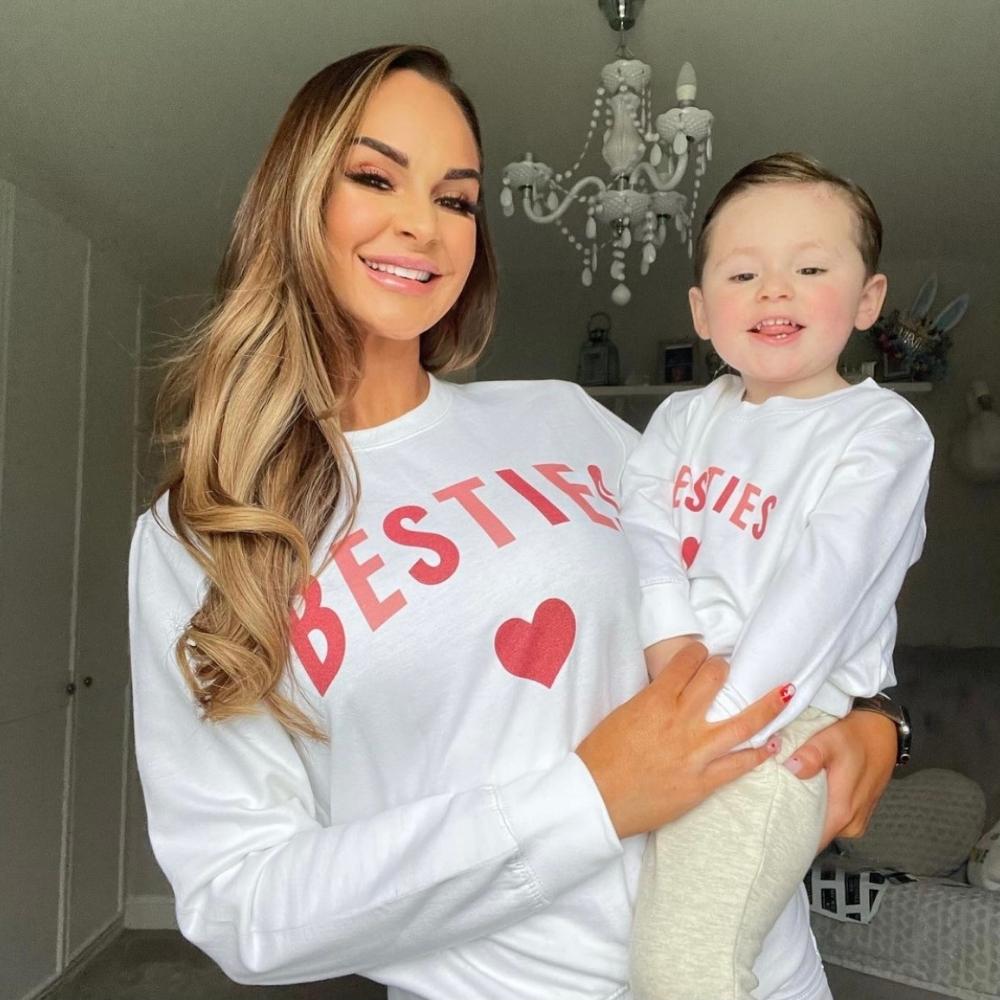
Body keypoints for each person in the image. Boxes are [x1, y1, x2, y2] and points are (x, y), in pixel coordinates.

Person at [129, 47, 903, 1000]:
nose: (423, 223)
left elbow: (773, 570)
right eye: (375, 177)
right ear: (294, 203)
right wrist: (588, 801)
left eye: (457, 199)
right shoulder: (200, 536)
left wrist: (878, 722)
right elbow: (242, 902)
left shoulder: (566, 419)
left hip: (763, 972)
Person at [621, 153, 933, 1000]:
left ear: (867, 299)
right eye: (744, 272)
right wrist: (668, 636)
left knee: (683, 970)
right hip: (681, 706)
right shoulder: (688, 415)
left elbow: (825, 583)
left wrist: (717, 720)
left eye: (809, 268)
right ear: (702, 309)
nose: (775, 291)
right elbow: (642, 516)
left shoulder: (881, 431)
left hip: (772, 729)